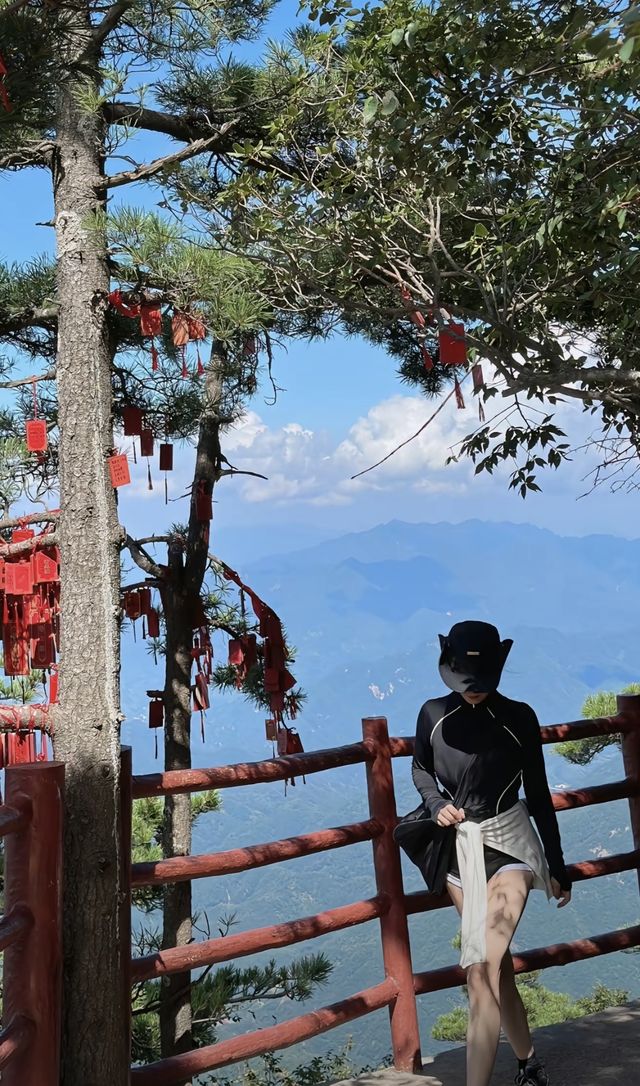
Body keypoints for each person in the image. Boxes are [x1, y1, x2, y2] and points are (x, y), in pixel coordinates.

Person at [411, 621, 572, 1086]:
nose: (474, 693)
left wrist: (557, 866)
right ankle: (528, 1063)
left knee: (480, 969)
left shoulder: (519, 716)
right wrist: (437, 804)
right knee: (496, 969)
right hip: (460, 851)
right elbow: (421, 769)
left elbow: (539, 794)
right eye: (466, 683)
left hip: (512, 846)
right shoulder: (432, 714)